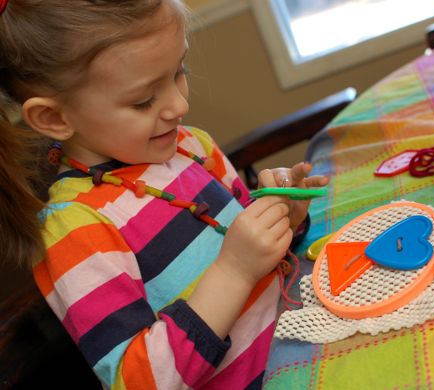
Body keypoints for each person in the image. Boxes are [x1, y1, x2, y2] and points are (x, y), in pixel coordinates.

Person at [0, 0, 328, 388]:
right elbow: (140, 380)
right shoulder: (75, 228)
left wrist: (284, 221)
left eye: (180, 72)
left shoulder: (192, 146)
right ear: (55, 118)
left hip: (312, 339)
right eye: (143, 100)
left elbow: (266, 267)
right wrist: (233, 271)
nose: (180, 105)